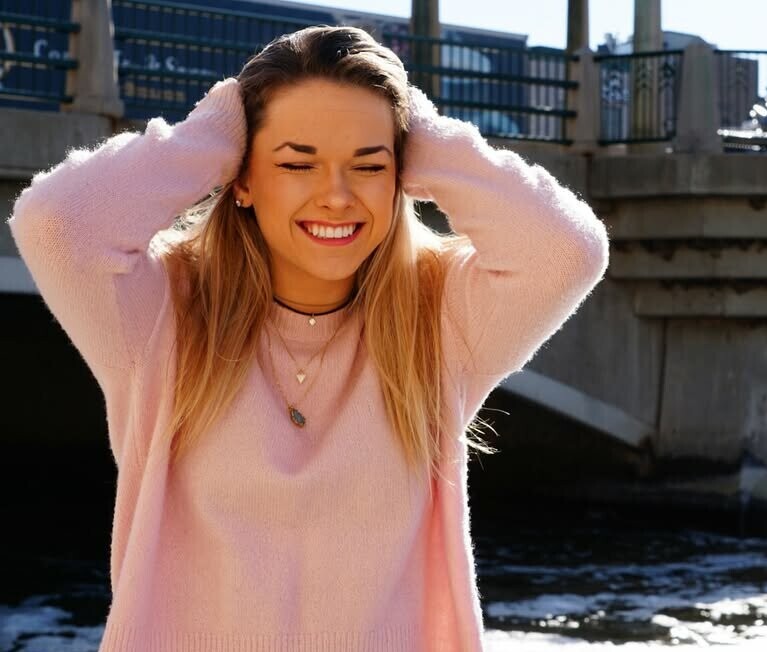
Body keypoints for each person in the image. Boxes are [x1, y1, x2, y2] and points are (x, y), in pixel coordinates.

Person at [7, 25, 608, 651]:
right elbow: (56, 225)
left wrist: (421, 131)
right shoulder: (163, 314)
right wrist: (211, 135)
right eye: (297, 164)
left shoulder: (438, 320)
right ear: (241, 177)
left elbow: (567, 252)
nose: (337, 197)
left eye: (369, 166)